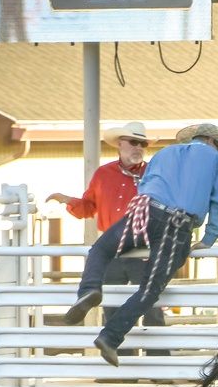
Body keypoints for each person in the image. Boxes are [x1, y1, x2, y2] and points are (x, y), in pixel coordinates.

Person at [62, 123, 218, 367]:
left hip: (146, 212)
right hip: (177, 225)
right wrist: (209, 238)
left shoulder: (164, 153)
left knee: (101, 248)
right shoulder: (214, 160)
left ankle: (89, 289)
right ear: (212, 143)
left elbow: (144, 186)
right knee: (150, 289)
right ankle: (110, 336)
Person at [46, 121, 167, 355]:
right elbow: (89, 207)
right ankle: (122, 367)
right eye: (133, 142)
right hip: (113, 252)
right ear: (120, 144)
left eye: (142, 144)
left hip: (143, 251)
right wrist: (68, 200)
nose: (138, 148)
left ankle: (159, 365)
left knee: (151, 310)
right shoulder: (103, 174)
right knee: (112, 307)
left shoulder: (154, 174)